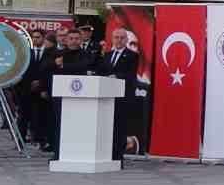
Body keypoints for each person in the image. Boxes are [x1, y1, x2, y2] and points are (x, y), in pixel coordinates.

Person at [93, 27, 139, 161]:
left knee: (120, 128)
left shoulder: (132, 55)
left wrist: (116, 76)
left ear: (126, 40)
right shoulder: (107, 55)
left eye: (121, 38)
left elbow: (130, 75)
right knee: (107, 127)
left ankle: (118, 157)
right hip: (106, 98)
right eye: (116, 37)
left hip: (122, 97)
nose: (119, 40)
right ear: (112, 39)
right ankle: (106, 154)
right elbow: (101, 71)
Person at [48, 30, 94, 160]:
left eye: (77, 38)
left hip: (80, 96)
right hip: (60, 95)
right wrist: (55, 64)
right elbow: (44, 67)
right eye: (71, 38)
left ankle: (78, 153)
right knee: (59, 125)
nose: (74, 41)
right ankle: (58, 154)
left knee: (78, 125)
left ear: (81, 40)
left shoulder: (86, 54)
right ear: (66, 40)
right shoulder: (58, 53)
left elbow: (83, 66)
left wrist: (63, 66)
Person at [16, 29, 48, 141]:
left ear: (44, 38)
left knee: (40, 115)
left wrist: (40, 82)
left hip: (42, 88)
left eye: (38, 37)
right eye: (33, 37)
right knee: (23, 114)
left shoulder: (48, 52)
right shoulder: (26, 52)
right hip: (26, 88)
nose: (35, 39)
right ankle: (21, 138)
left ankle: (39, 138)